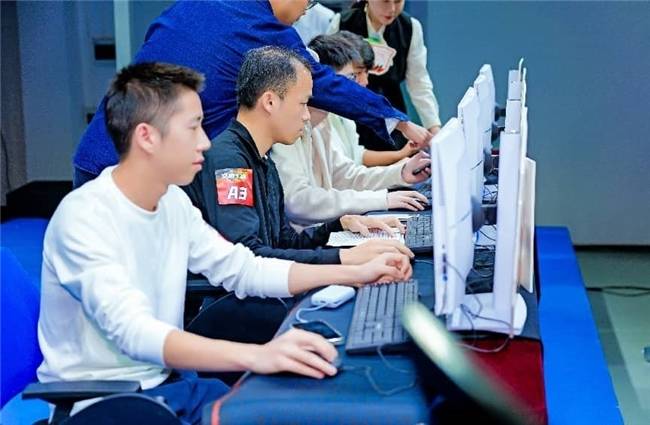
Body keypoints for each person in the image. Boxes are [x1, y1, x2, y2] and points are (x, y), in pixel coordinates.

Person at [38, 62, 412, 425]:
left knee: (288, 404)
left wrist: (354, 273)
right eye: (193, 128)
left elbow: (244, 268)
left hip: (165, 385)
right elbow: (134, 333)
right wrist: (258, 355)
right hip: (105, 404)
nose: (204, 142)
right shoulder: (86, 218)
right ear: (147, 137)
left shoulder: (172, 202)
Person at [72, 0, 432, 188]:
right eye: (307, 3)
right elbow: (323, 81)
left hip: (98, 152)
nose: (303, 13)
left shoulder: (200, 4)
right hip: (138, 174)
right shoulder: (260, 26)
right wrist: (401, 123)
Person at [184, 46, 412, 265]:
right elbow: (249, 257)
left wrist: (339, 225)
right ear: (270, 102)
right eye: (303, 103)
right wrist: (343, 259)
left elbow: (285, 242)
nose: (306, 116)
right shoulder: (230, 163)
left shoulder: (263, 159)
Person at [271, 34, 430, 227]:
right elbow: (298, 202)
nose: (360, 86)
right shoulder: (287, 128)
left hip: (320, 231)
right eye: (352, 77)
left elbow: (344, 177)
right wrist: (382, 199)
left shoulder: (322, 124)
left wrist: (401, 173)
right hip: (304, 238)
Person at [328, 0, 441, 151]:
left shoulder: (410, 27)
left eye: (398, 1)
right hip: (351, 116)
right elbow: (329, 79)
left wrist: (434, 128)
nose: (392, 9)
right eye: (385, 1)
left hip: (393, 118)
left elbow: (419, 83)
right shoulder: (342, 23)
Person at [336, 30, 420, 167]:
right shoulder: (320, 119)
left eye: (366, 73)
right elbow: (345, 175)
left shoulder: (345, 115)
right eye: (356, 74)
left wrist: (402, 155)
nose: (365, 82)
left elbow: (357, 156)